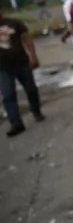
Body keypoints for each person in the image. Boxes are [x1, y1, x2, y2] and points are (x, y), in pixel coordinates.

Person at [0, 9, 45, 137]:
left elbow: (27, 39)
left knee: (31, 89)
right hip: (3, 68)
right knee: (8, 95)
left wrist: (33, 56)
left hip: (21, 63)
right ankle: (16, 123)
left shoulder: (14, 23)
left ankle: (36, 110)